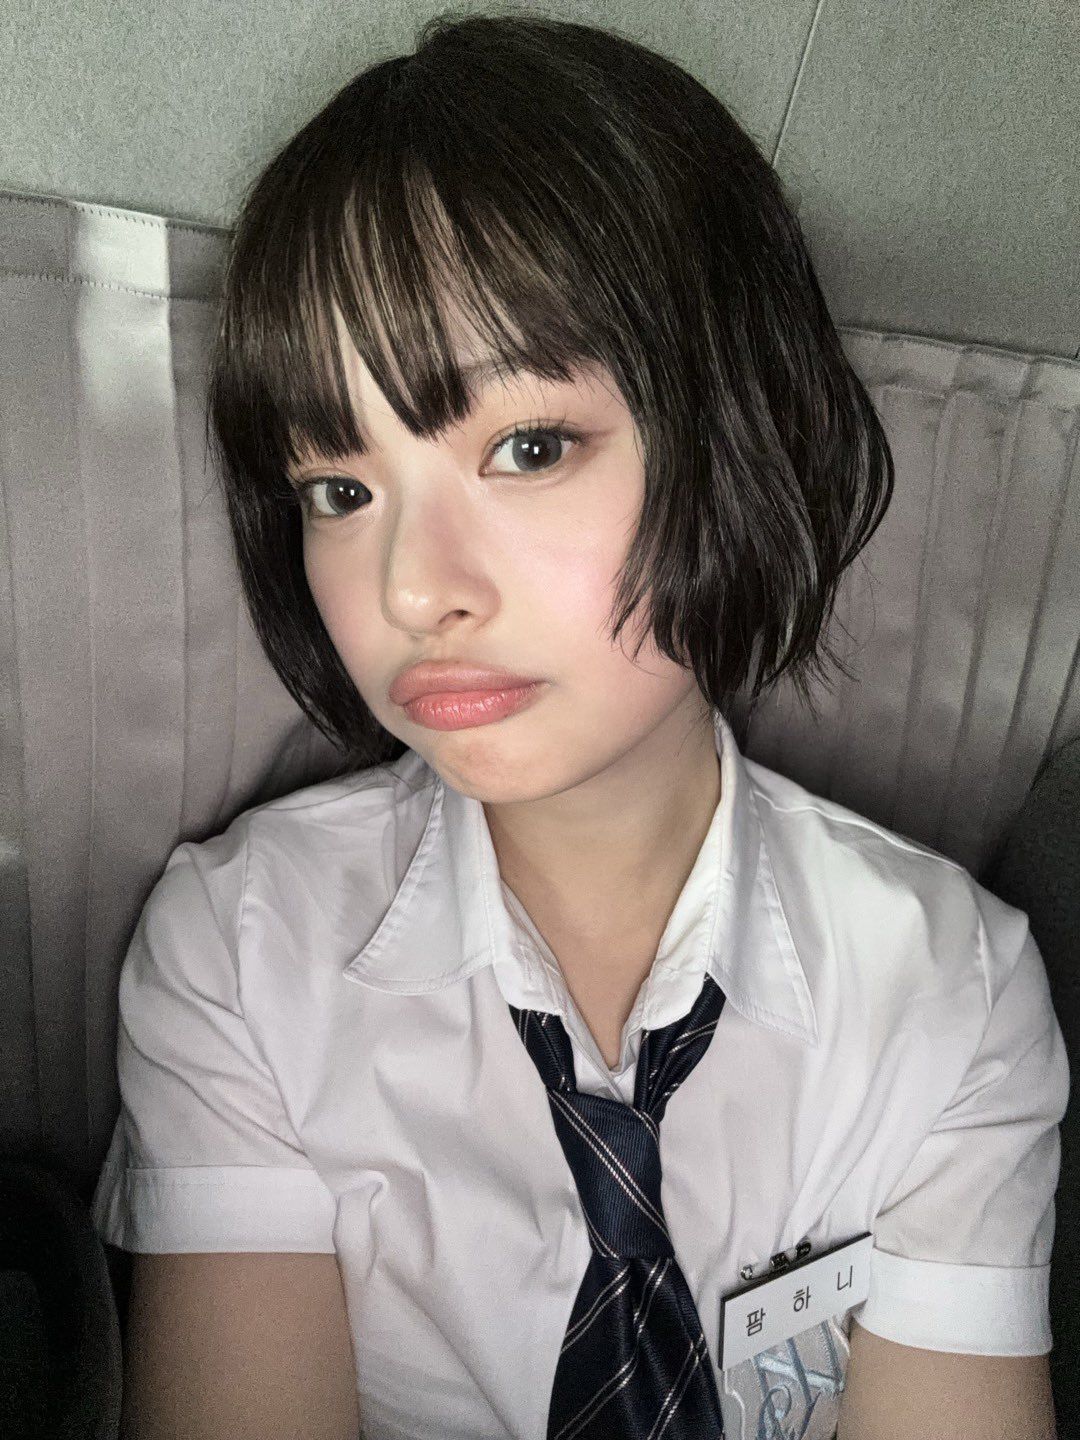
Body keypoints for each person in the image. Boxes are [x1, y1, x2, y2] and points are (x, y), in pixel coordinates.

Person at [91, 8, 1067, 1439]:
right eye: (340, 491)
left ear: (737, 431)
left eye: (527, 446)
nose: (412, 588)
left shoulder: (949, 994)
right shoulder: (247, 955)